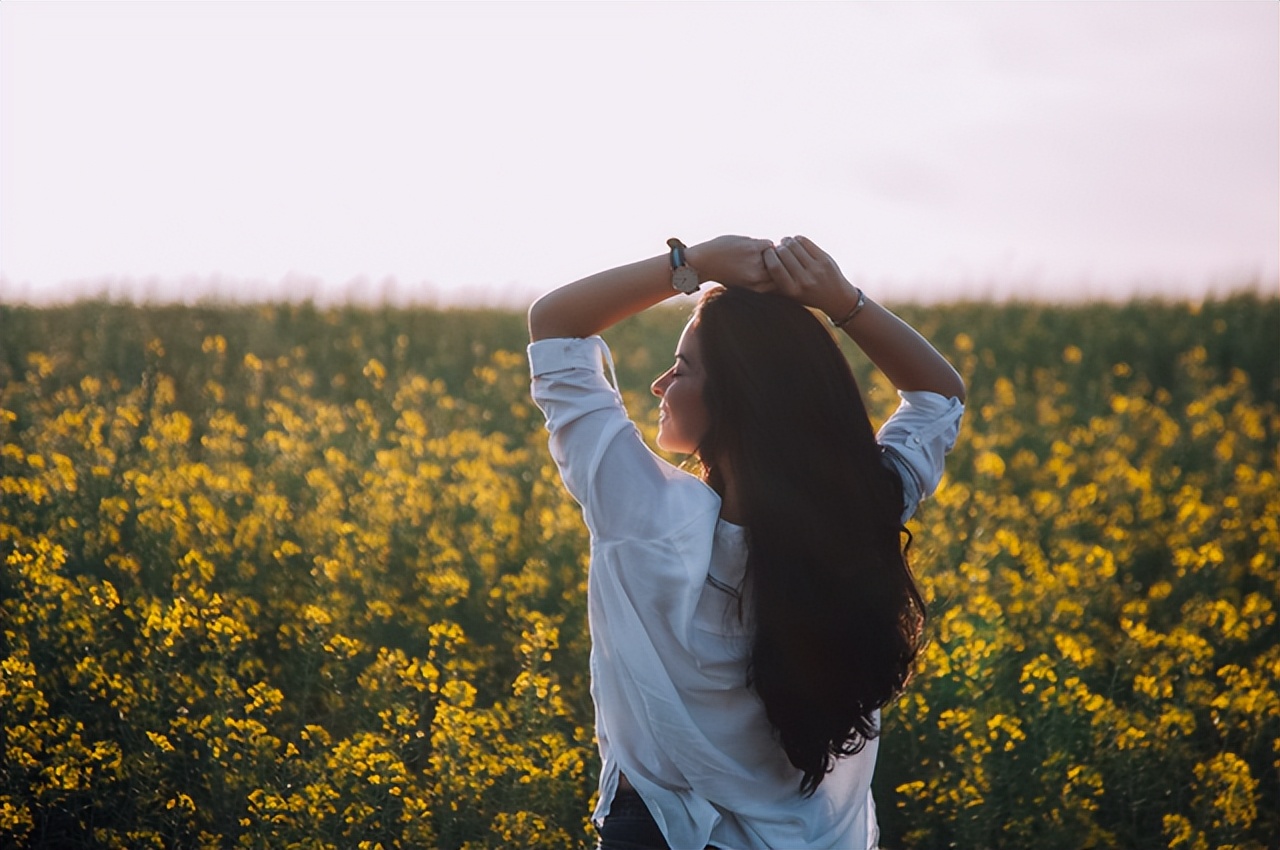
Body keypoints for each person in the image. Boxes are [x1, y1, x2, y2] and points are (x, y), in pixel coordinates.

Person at [527, 235, 965, 850]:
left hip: (666, 834)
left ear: (735, 398)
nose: (658, 384)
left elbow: (555, 325)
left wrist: (693, 263)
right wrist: (842, 301)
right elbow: (939, 395)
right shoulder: (863, 509)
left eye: (681, 368)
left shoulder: (645, 515)